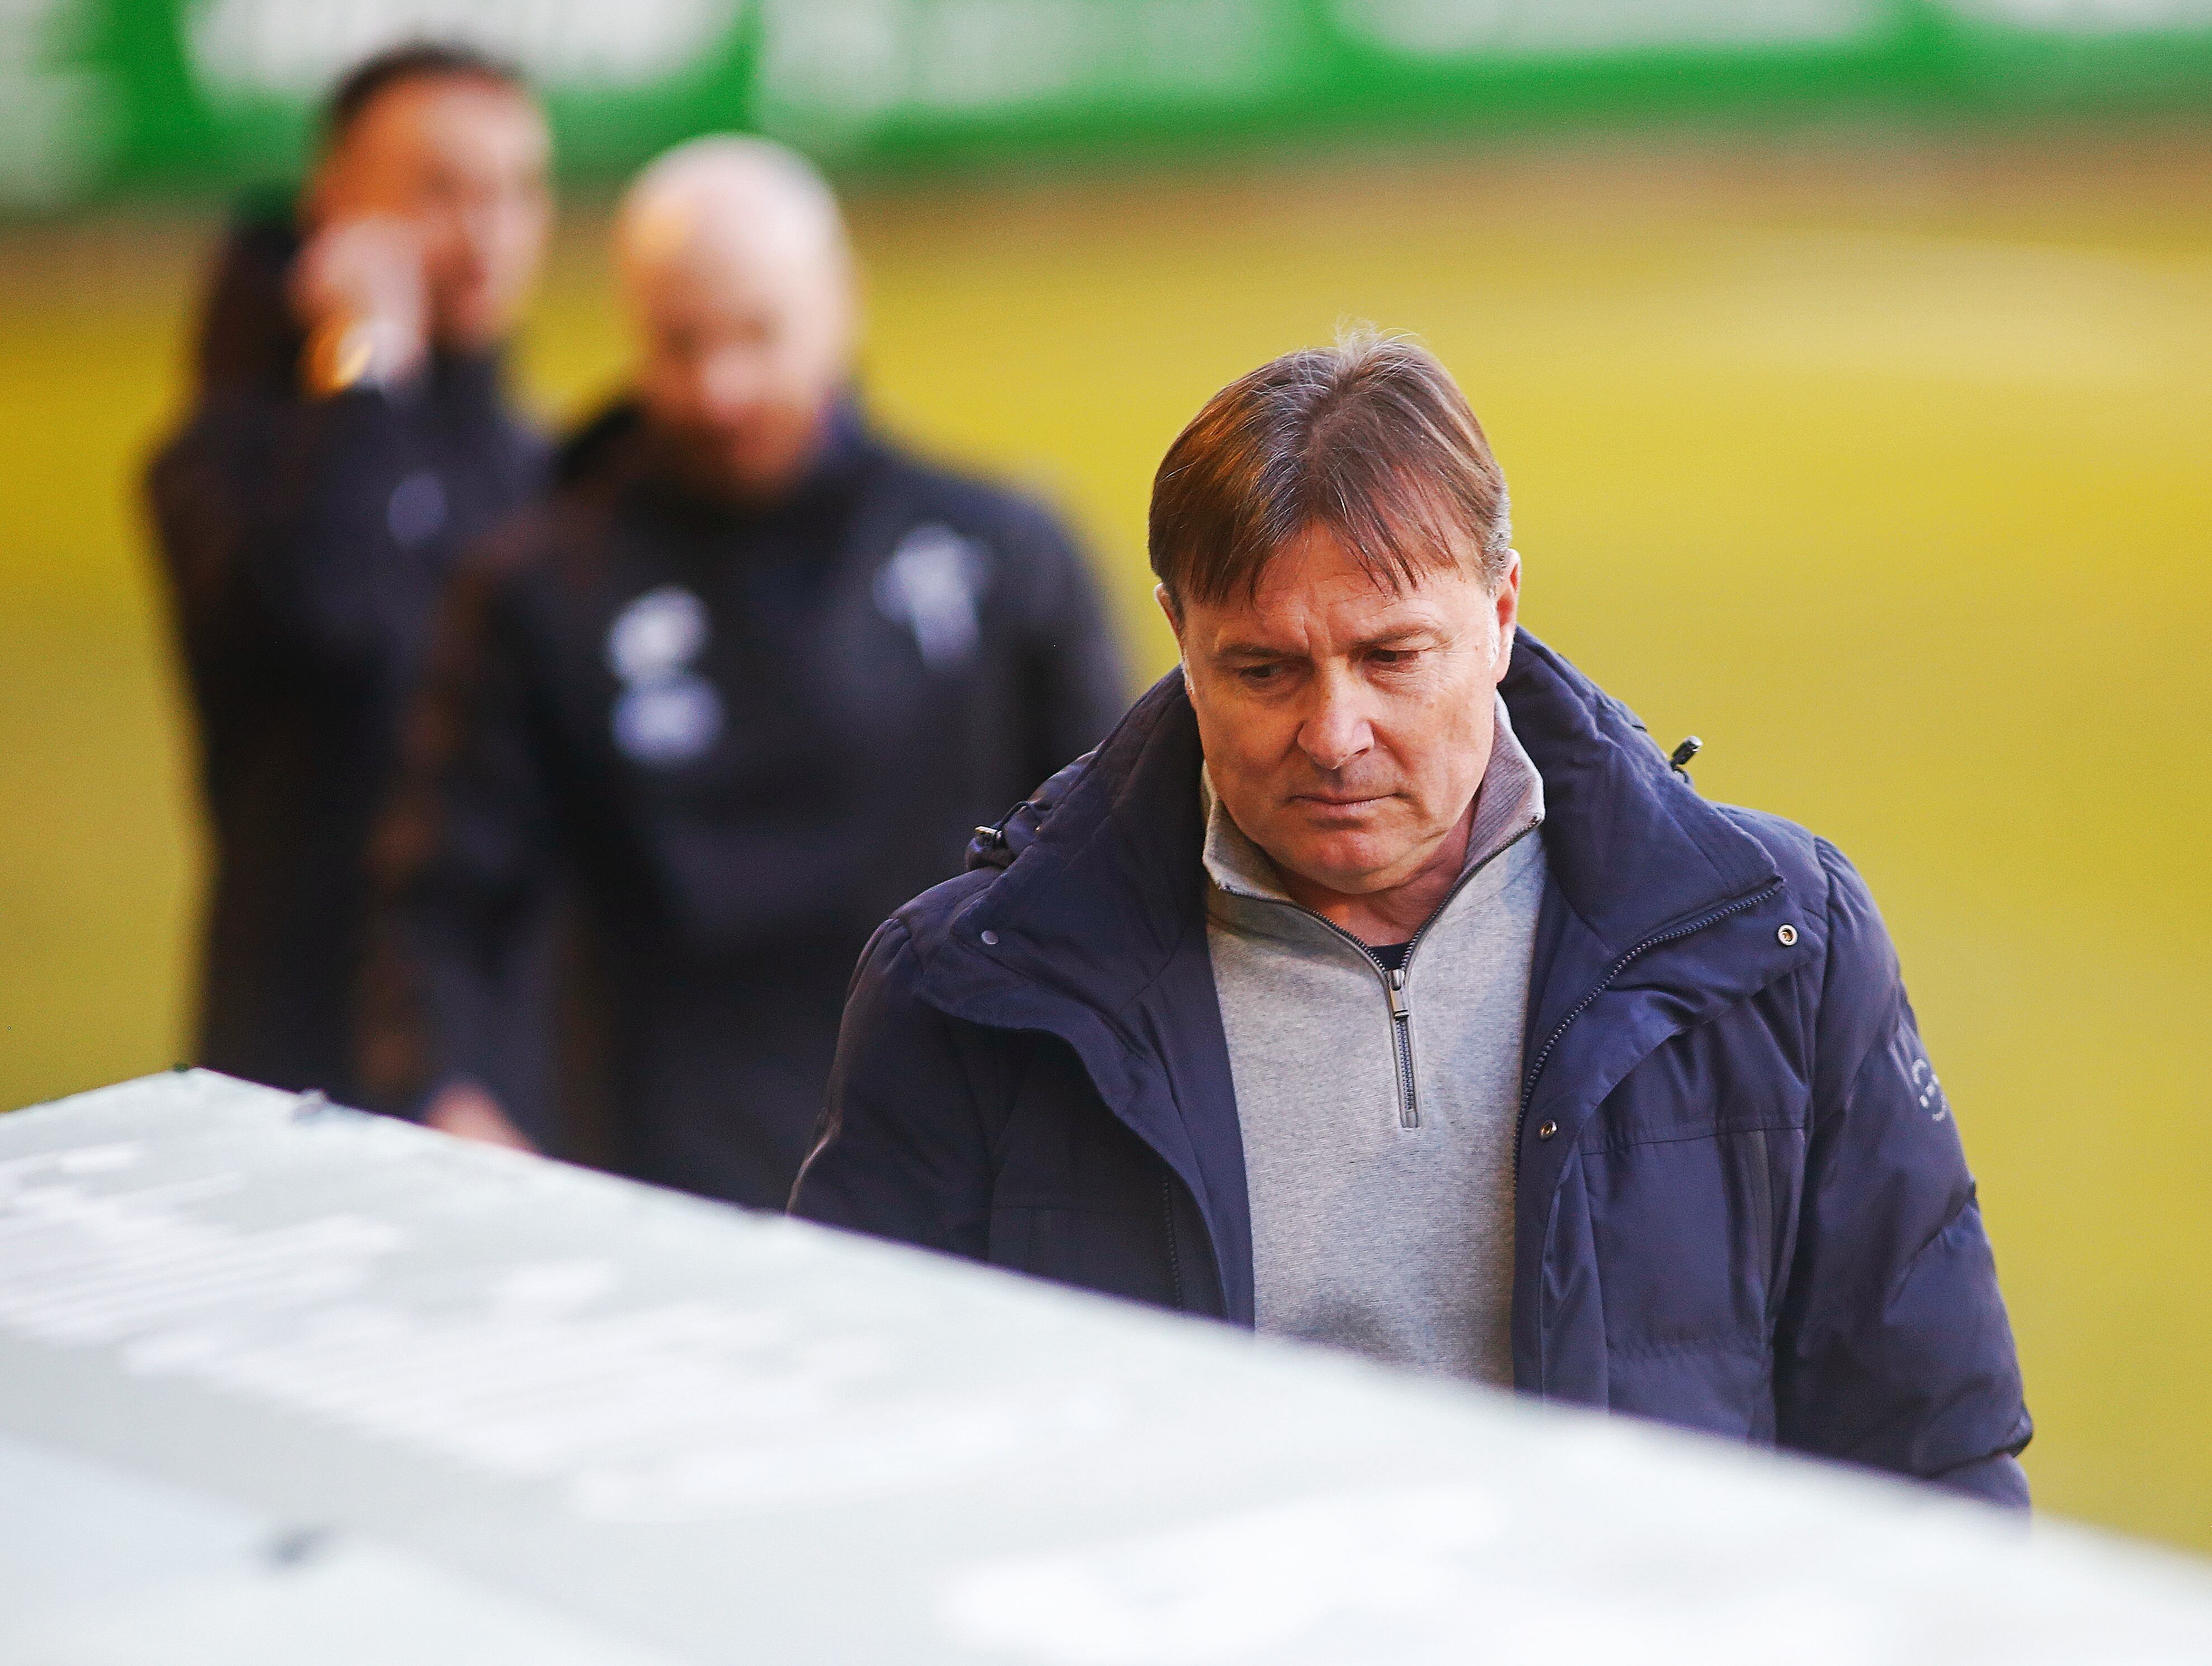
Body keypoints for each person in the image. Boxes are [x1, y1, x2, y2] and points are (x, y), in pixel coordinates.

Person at [790, 334, 2033, 1504]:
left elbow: (1930, 1452)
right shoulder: (965, 992)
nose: (1332, 737)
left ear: (1498, 615)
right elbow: (853, 1472)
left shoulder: (1778, 946)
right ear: (1175, 633)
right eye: (1262, 670)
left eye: (1390, 658)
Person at [361, 137, 1128, 1207]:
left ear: (842, 305)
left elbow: (1124, 860)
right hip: (662, 1186)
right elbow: (441, 901)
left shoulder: (1004, 553)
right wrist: (450, 1093)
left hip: (966, 1170)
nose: (721, 387)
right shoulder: (539, 589)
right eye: (680, 343)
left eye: (758, 334)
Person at [146, 44, 555, 1128]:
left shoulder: (536, 461)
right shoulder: (229, 459)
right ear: (335, 209)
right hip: (299, 1056)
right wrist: (362, 355)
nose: (487, 235)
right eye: (441, 191)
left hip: (509, 1068)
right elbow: (326, 615)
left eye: (518, 190)